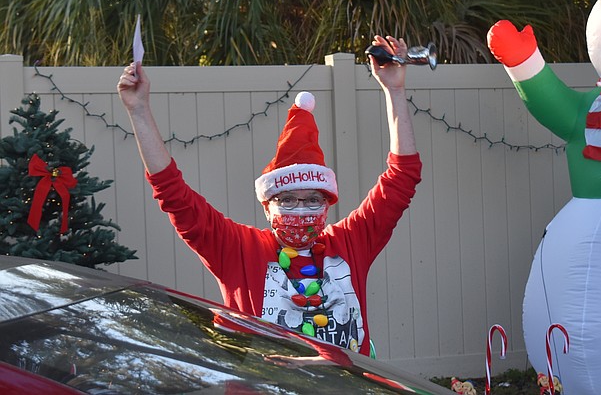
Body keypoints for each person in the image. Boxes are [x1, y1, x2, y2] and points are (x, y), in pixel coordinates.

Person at [117, 36, 421, 356]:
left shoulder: (350, 243)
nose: (301, 210)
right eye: (287, 199)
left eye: (313, 200)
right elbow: (174, 194)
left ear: (328, 204)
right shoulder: (238, 250)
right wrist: (138, 110)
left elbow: (402, 179)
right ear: (267, 205)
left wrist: (395, 91)